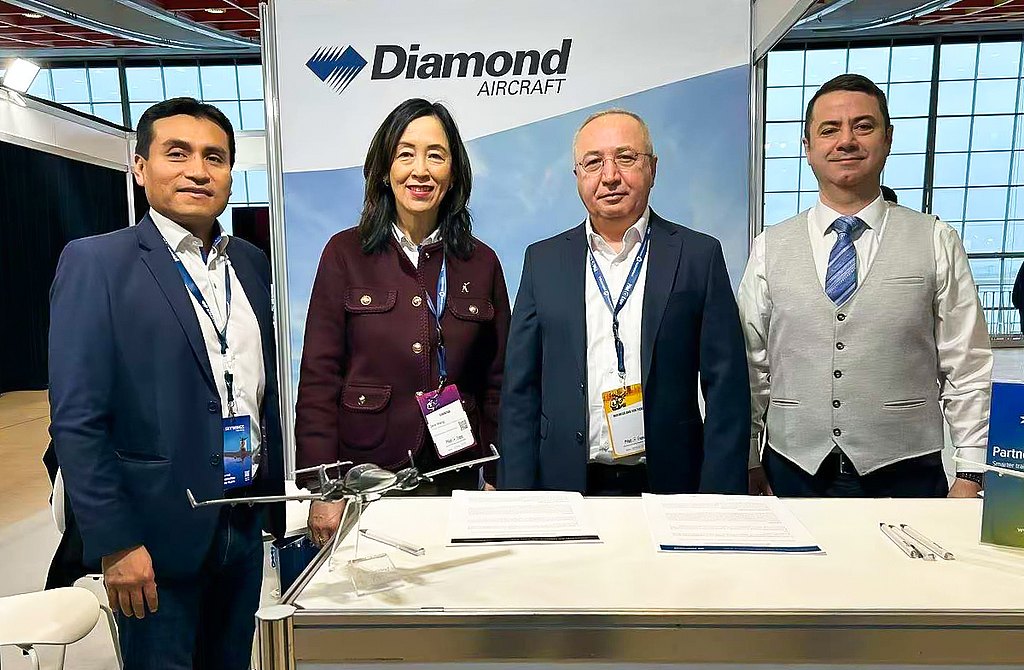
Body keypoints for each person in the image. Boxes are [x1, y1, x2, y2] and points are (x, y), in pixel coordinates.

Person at [48, 98, 285, 668]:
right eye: (177, 154)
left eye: (214, 157)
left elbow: (257, 390)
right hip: (152, 535)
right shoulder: (98, 263)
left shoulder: (252, 263)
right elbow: (77, 420)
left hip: (242, 520)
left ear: (230, 173)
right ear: (140, 166)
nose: (198, 171)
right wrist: (116, 541)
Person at [741, 74, 991, 498]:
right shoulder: (769, 247)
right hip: (792, 473)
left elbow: (966, 364)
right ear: (808, 147)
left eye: (863, 126)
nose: (846, 141)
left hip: (907, 474)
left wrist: (971, 472)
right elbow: (752, 366)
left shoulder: (936, 239)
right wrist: (748, 456)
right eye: (829, 130)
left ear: (887, 139)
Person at [498, 109, 749, 495]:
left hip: (671, 484)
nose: (610, 175)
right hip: (564, 484)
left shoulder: (698, 256)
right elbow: (520, 391)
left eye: (626, 158)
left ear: (653, 168)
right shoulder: (543, 261)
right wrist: (516, 493)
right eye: (593, 162)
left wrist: (719, 497)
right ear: (577, 174)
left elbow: (727, 390)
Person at [296, 98, 510, 545]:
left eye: (436, 155)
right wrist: (323, 486)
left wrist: (497, 473)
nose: (420, 170)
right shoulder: (344, 254)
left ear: (454, 173)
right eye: (405, 153)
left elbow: (499, 382)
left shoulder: (482, 262)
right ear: (384, 169)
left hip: (458, 472)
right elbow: (319, 376)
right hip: (364, 477)